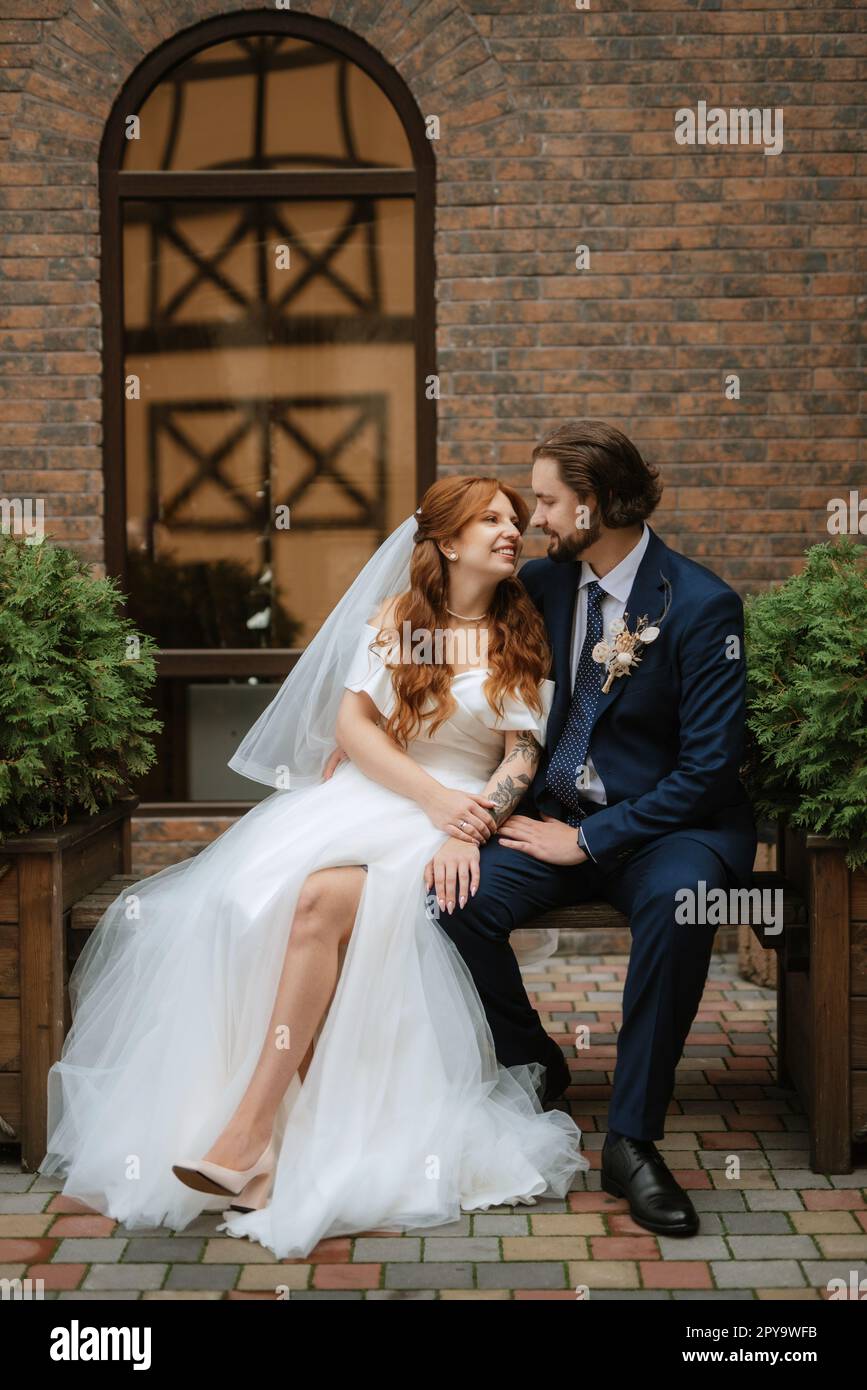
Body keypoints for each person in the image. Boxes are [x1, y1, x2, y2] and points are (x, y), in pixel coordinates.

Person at [38, 476, 590, 1261]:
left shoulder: (517, 630)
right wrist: (430, 798)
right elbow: (354, 726)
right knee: (255, 902)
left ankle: (250, 1135)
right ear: (444, 541)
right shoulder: (404, 621)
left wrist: (466, 825)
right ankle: (256, 1132)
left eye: (513, 519)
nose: (511, 531)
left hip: (459, 815)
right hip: (387, 793)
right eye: (491, 520)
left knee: (321, 903)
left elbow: (521, 756)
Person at [430, 421, 758, 1238]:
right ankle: (533, 1060)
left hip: (669, 830)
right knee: (450, 900)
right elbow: (439, 639)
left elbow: (708, 769)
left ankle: (632, 1139)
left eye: (545, 500)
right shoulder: (539, 586)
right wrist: (365, 732)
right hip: (551, 819)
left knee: (682, 904)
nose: (532, 517)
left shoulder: (701, 603)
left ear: (598, 504)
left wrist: (590, 841)